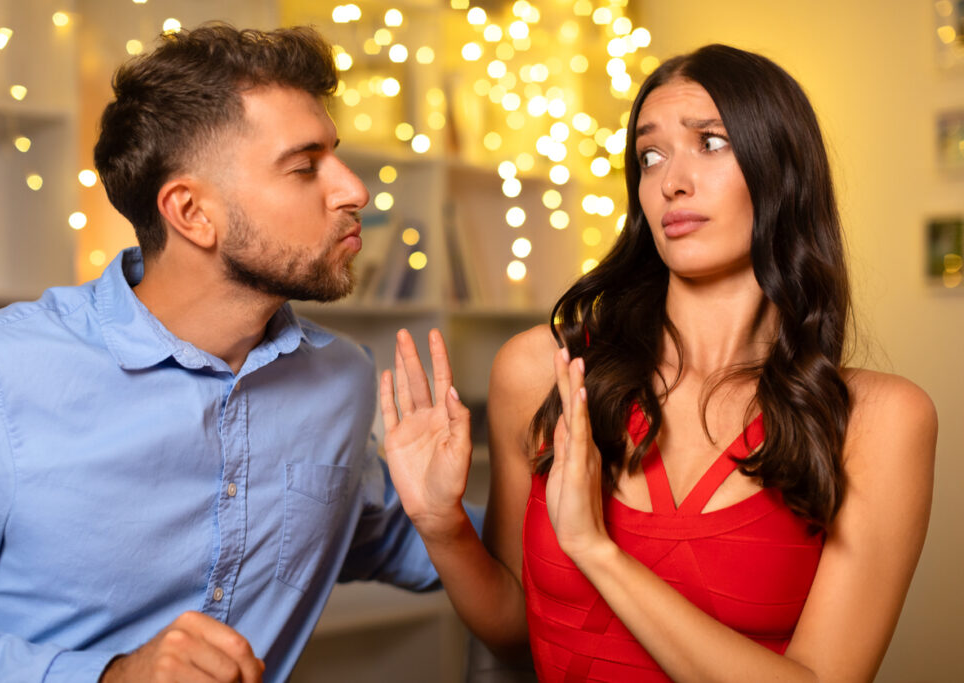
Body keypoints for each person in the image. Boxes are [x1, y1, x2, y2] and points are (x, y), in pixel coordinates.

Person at [382, 44, 937, 681]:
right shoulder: (544, 372)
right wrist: (441, 526)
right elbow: (517, 630)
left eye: (711, 143)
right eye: (650, 155)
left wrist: (596, 550)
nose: (671, 179)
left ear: (782, 171)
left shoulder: (877, 420)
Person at [0, 24, 453, 683]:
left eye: (338, 156)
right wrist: (110, 675)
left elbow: (394, 534)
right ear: (190, 212)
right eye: (305, 166)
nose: (354, 190)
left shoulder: (342, 379)